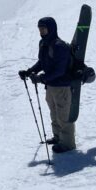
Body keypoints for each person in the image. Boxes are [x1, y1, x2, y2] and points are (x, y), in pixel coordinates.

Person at [18, 16, 76, 153]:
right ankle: (58, 137)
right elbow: (42, 63)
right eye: (40, 29)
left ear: (51, 28)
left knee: (63, 115)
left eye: (43, 29)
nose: (41, 32)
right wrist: (30, 71)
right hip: (50, 85)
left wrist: (41, 79)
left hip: (62, 86)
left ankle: (67, 143)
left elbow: (60, 70)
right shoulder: (43, 43)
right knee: (54, 113)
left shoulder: (59, 46)